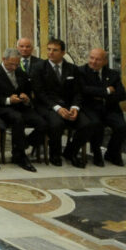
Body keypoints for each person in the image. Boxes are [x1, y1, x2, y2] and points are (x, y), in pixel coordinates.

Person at [32, 39, 93, 167]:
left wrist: (75, 107)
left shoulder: (72, 69)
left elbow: (78, 91)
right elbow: (40, 93)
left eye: (55, 50)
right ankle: (55, 154)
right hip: (48, 106)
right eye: (49, 49)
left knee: (87, 124)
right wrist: (58, 108)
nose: (51, 53)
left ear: (63, 52)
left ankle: (70, 152)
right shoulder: (38, 68)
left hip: (69, 105)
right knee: (56, 123)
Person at [0, 48, 44, 172]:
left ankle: (24, 143)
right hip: (2, 108)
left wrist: (26, 98)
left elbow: (28, 92)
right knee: (17, 119)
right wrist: (7, 100)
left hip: (21, 107)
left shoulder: (21, 73)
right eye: (11, 64)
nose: (14, 67)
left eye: (16, 64)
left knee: (42, 123)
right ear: (4, 59)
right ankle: (20, 155)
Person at [76, 48, 126, 167]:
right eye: (91, 58)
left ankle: (112, 152)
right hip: (90, 108)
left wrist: (101, 96)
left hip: (110, 108)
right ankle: (97, 153)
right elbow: (84, 90)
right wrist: (107, 91)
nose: (93, 62)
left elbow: (122, 95)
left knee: (123, 127)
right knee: (96, 124)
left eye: (97, 59)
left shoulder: (113, 74)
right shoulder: (81, 71)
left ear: (105, 61)